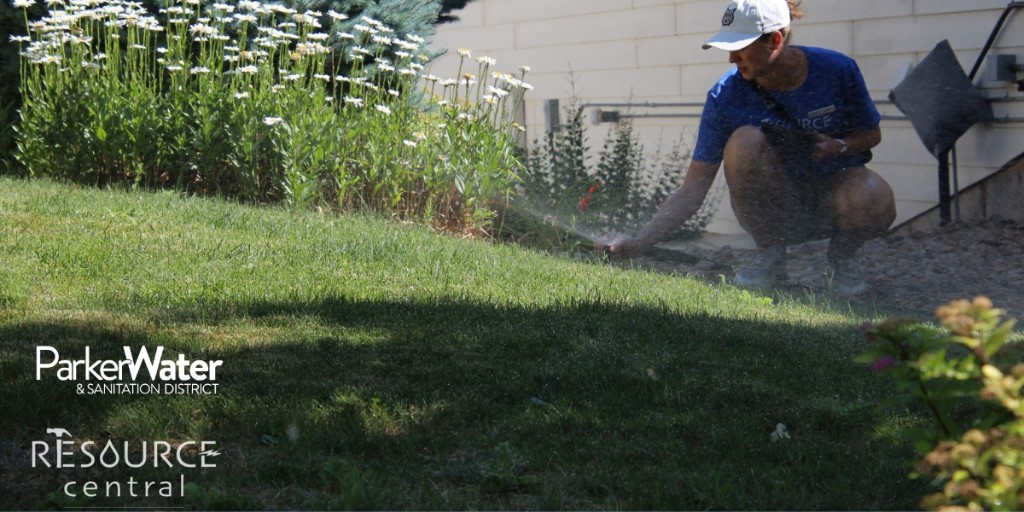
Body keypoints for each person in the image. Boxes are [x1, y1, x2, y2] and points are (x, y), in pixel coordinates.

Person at [609, 0, 896, 295]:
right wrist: (639, 242)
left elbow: (871, 134)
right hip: (778, 204)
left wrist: (840, 146)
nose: (732, 58)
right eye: (728, 47)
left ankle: (843, 259)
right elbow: (693, 189)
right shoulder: (725, 95)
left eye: (741, 46)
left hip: (833, 192)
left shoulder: (837, 69)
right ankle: (770, 254)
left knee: (874, 197)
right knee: (744, 140)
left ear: (774, 40)